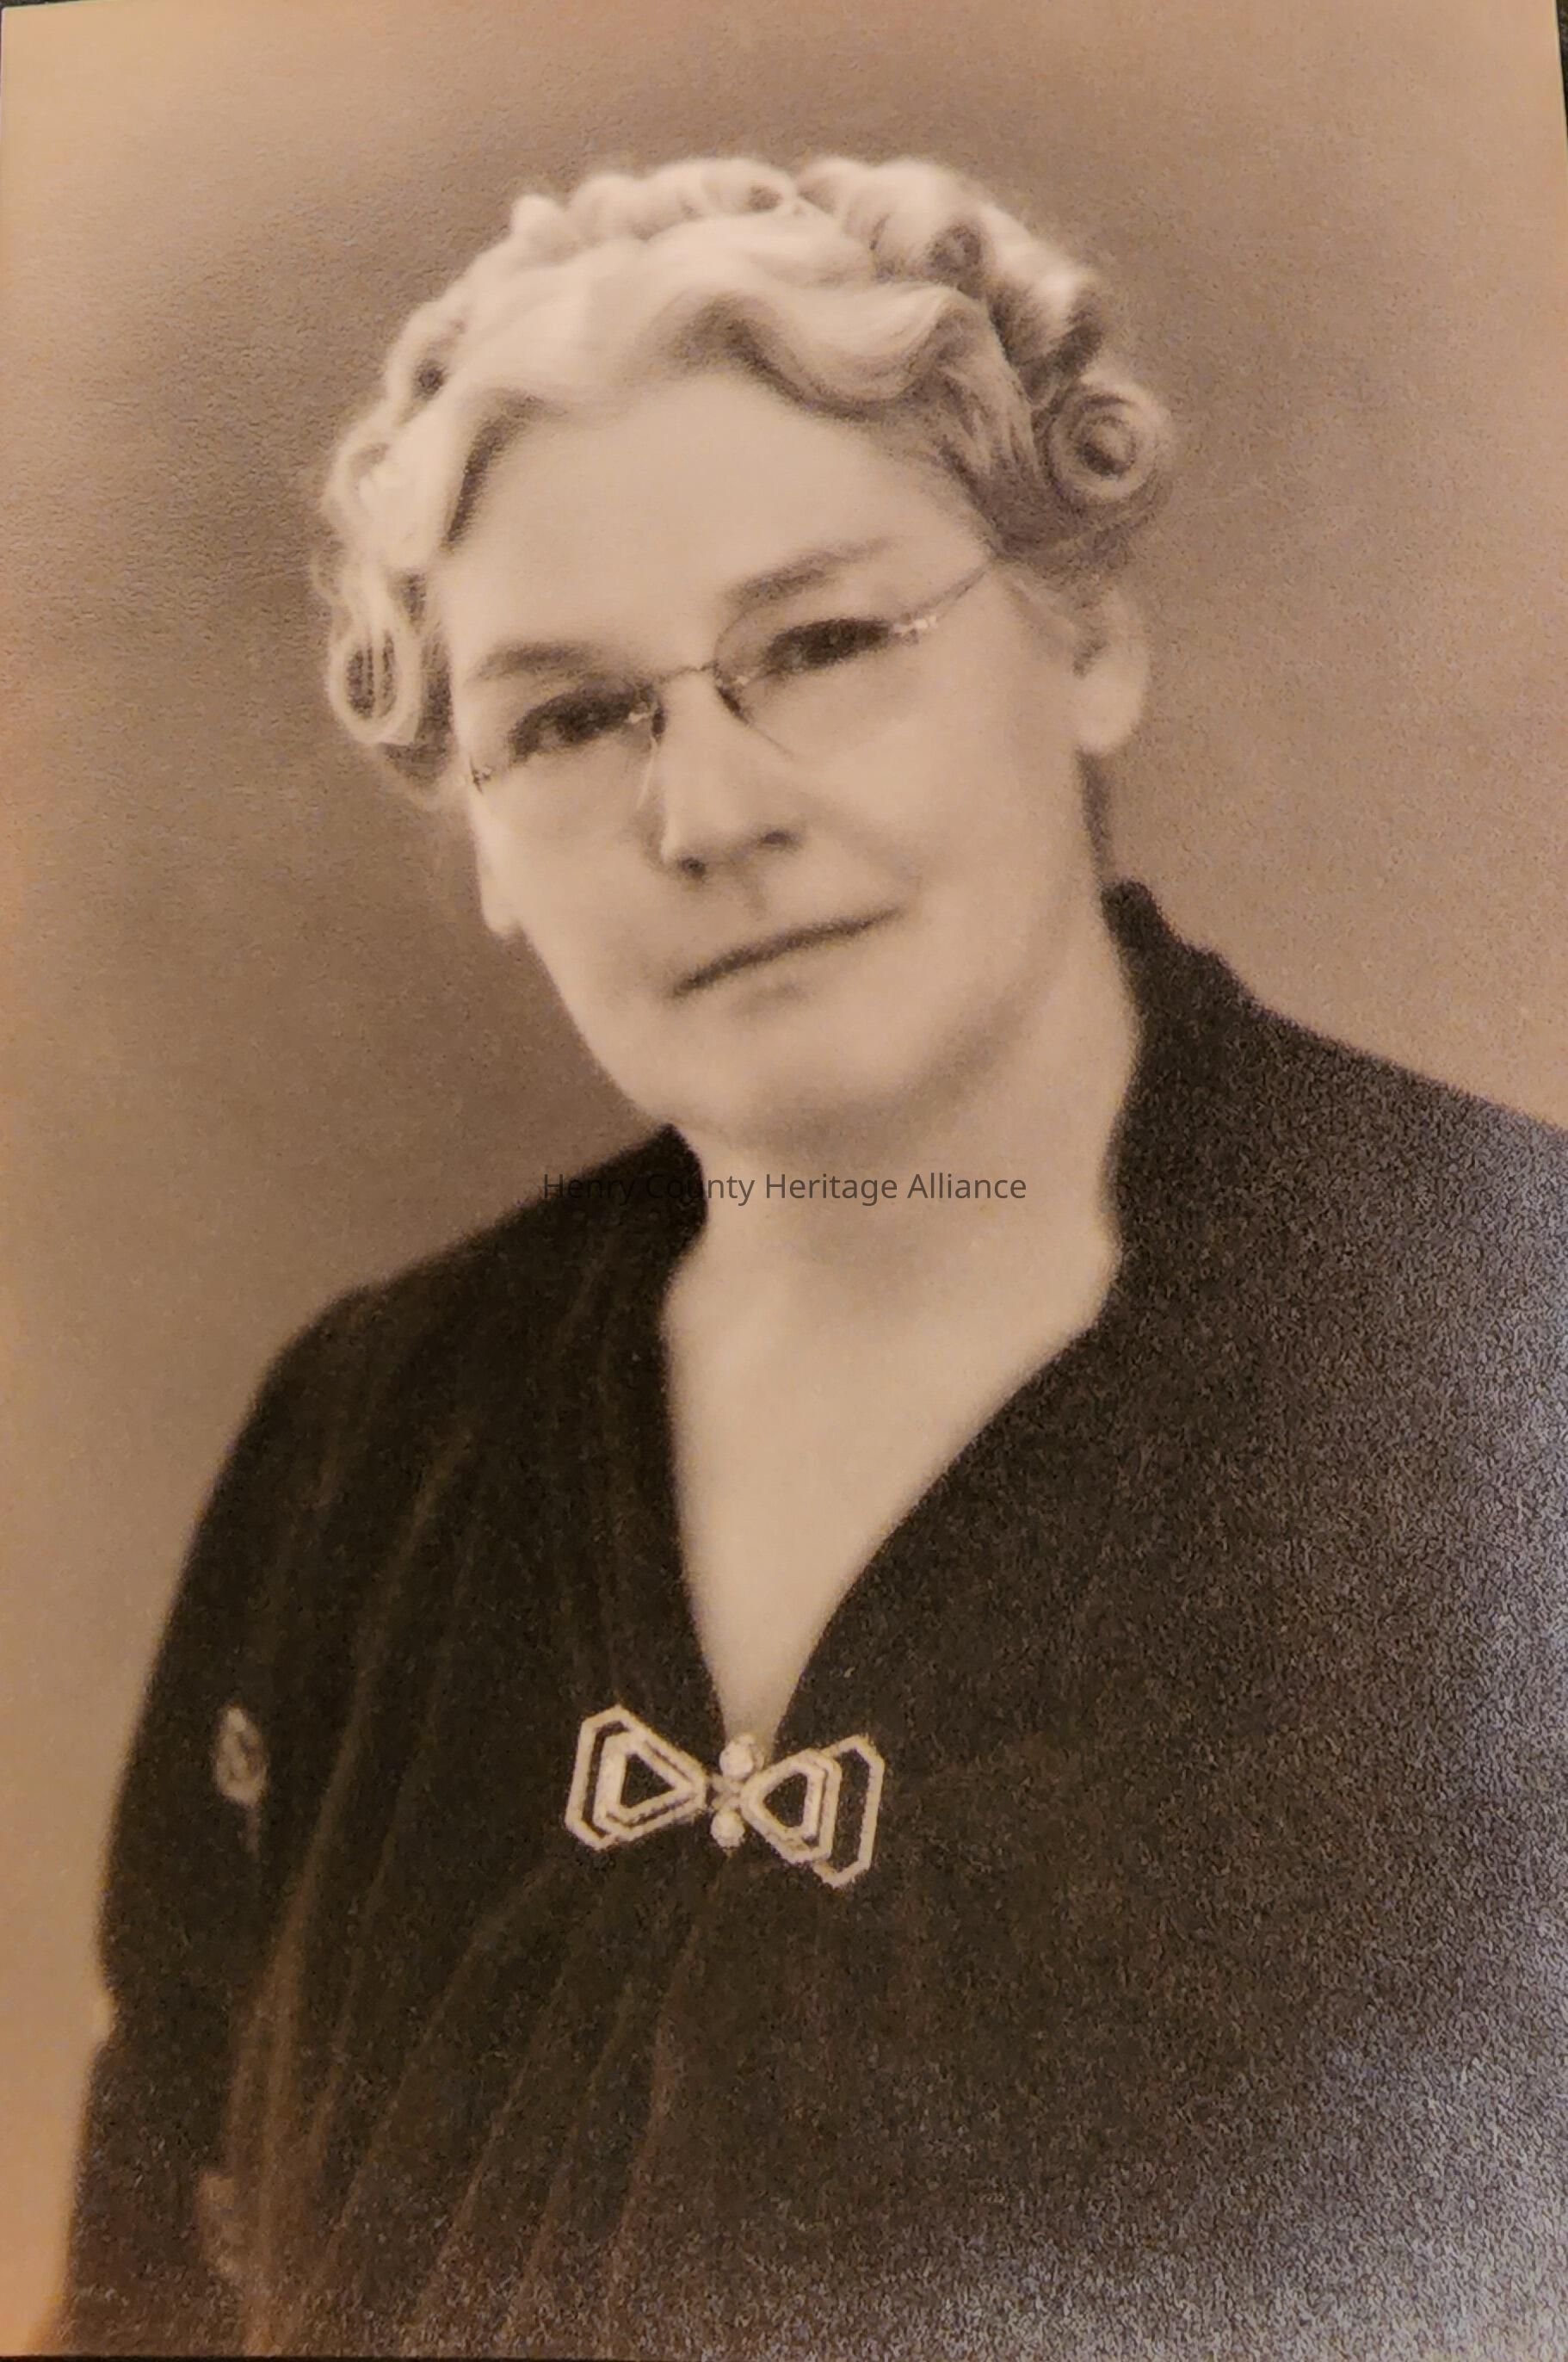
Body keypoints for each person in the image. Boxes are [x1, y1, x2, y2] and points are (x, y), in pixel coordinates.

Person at [55, 154, 1568, 2359]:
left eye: (825, 644)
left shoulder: (1517, 1339)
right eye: (567, 720)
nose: (709, 813)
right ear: (481, 841)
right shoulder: (367, 1437)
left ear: (1083, 641)